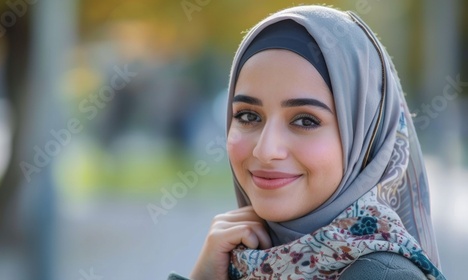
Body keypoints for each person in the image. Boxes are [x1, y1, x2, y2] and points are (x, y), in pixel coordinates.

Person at [168, 5, 445, 280]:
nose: (265, 151)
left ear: (363, 136)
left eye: (305, 121)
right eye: (248, 115)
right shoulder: (242, 259)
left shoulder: (381, 275)